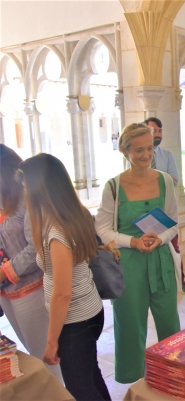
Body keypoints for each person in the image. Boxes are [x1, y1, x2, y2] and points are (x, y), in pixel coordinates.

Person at [19, 154, 110, 400]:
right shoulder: (74, 213)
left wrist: (50, 342)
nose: (24, 193)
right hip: (90, 311)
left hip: (76, 321)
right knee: (91, 377)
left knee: (80, 388)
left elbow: (62, 293)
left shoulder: (56, 231)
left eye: (26, 186)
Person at [96, 122, 180, 383]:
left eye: (150, 148)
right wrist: (133, 242)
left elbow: (174, 222)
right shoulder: (113, 187)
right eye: (139, 150)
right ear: (125, 151)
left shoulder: (165, 181)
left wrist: (161, 238)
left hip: (160, 260)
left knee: (169, 321)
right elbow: (102, 230)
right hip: (128, 264)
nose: (146, 155)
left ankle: (174, 373)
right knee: (130, 324)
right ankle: (133, 378)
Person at [0, 145, 62, 382]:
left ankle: (60, 395)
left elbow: (35, 245)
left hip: (30, 288)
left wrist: (5, 272)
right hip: (5, 292)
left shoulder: (26, 198)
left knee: (44, 357)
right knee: (29, 352)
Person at [143, 117, 185, 294]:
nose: (157, 134)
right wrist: (161, 178)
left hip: (164, 211)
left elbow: (174, 180)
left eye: (159, 131)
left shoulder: (167, 155)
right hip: (144, 213)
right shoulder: (137, 157)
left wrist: (150, 176)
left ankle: (182, 281)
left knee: (174, 247)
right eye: (153, 131)